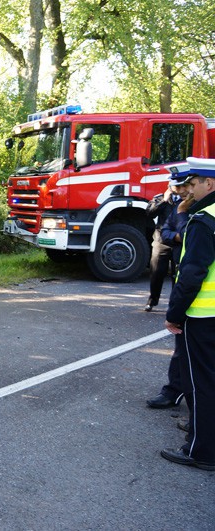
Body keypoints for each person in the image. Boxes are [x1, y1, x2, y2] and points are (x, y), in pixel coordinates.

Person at [161, 156, 215, 471]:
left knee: (201, 383)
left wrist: (174, 313)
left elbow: (193, 273)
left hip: (203, 316)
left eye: (193, 184)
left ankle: (201, 450)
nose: (188, 191)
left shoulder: (203, 220)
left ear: (210, 183)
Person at [146, 170, 192, 408]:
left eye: (190, 185)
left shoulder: (193, 210)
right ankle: (176, 391)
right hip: (184, 278)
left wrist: (181, 224)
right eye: (182, 186)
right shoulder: (176, 204)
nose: (185, 190)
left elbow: (187, 234)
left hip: (197, 288)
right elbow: (164, 230)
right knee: (183, 344)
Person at [144, 183, 177, 311]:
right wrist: (164, 200)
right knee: (156, 272)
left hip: (178, 241)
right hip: (161, 240)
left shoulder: (187, 199)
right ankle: (152, 300)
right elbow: (149, 213)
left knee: (177, 275)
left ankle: (174, 304)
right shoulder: (160, 198)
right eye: (174, 186)